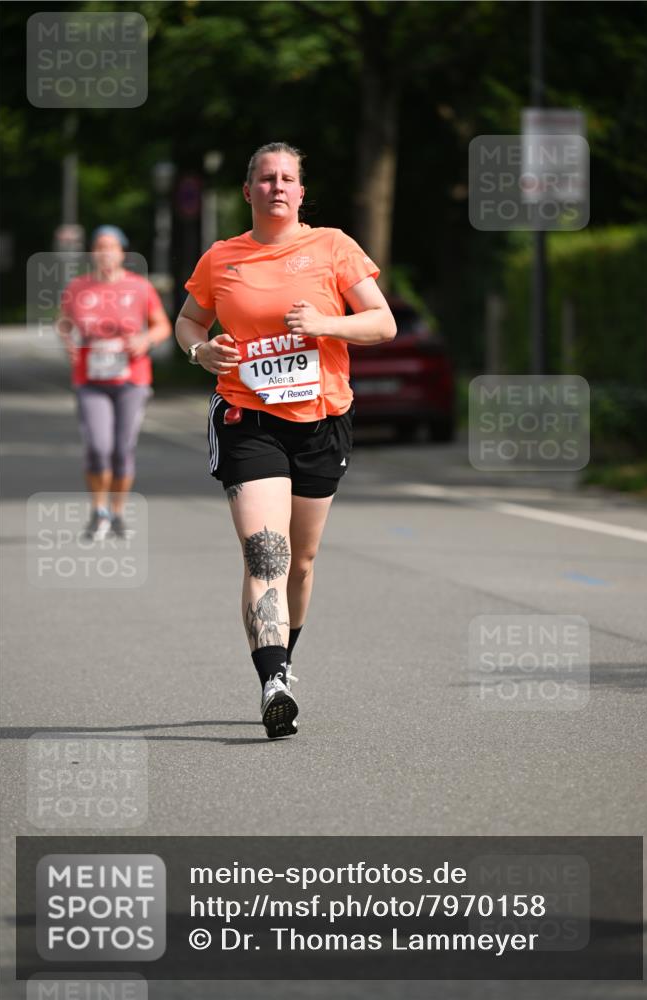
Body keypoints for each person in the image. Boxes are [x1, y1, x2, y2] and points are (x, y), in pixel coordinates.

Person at [175, 142, 396, 739]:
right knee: (266, 554)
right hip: (248, 418)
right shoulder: (223, 258)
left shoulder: (333, 247)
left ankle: (285, 657)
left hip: (322, 420)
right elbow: (189, 320)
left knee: (301, 562)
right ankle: (273, 683)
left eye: (288, 178)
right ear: (247, 192)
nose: (277, 186)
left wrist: (326, 324)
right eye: (266, 178)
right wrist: (202, 350)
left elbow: (382, 322)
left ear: (301, 192)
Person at [57, 226, 172, 539]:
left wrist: (145, 339)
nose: (105, 252)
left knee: (121, 450)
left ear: (122, 252)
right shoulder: (78, 288)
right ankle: (98, 511)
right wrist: (68, 341)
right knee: (97, 447)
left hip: (131, 378)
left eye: (111, 246)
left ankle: (117, 512)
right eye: (99, 246)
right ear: (92, 253)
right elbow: (64, 323)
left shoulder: (139, 288)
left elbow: (162, 326)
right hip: (89, 378)